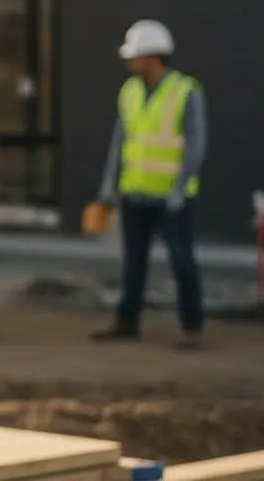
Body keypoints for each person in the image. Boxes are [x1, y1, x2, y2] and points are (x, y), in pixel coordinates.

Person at [89, 19, 207, 349]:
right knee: (133, 262)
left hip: (171, 197)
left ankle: (192, 326)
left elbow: (195, 146)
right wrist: (109, 187)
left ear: (152, 57)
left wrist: (179, 189)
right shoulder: (129, 92)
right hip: (136, 192)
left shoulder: (185, 91)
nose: (129, 62)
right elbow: (120, 141)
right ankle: (127, 322)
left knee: (182, 259)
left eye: (134, 55)